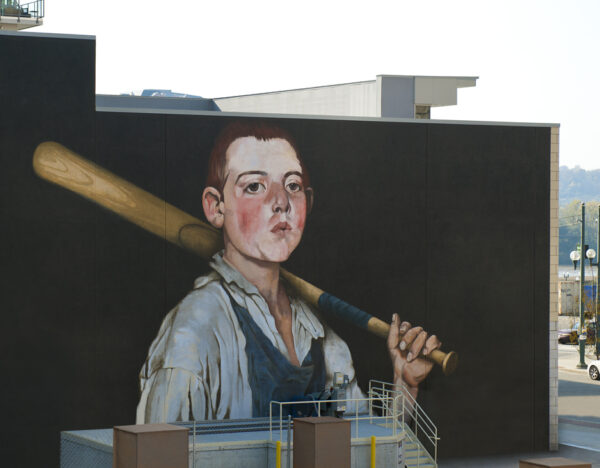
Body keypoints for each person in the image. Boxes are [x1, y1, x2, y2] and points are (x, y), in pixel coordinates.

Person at [136, 121, 440, 424]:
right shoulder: (195, 330)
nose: (281, 202)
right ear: (216, 207)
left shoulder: (320, 338)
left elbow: (361, 450)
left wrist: (405, 386)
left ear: (307, 201)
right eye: (254, 186)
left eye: (292, 185)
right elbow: (155, 452)